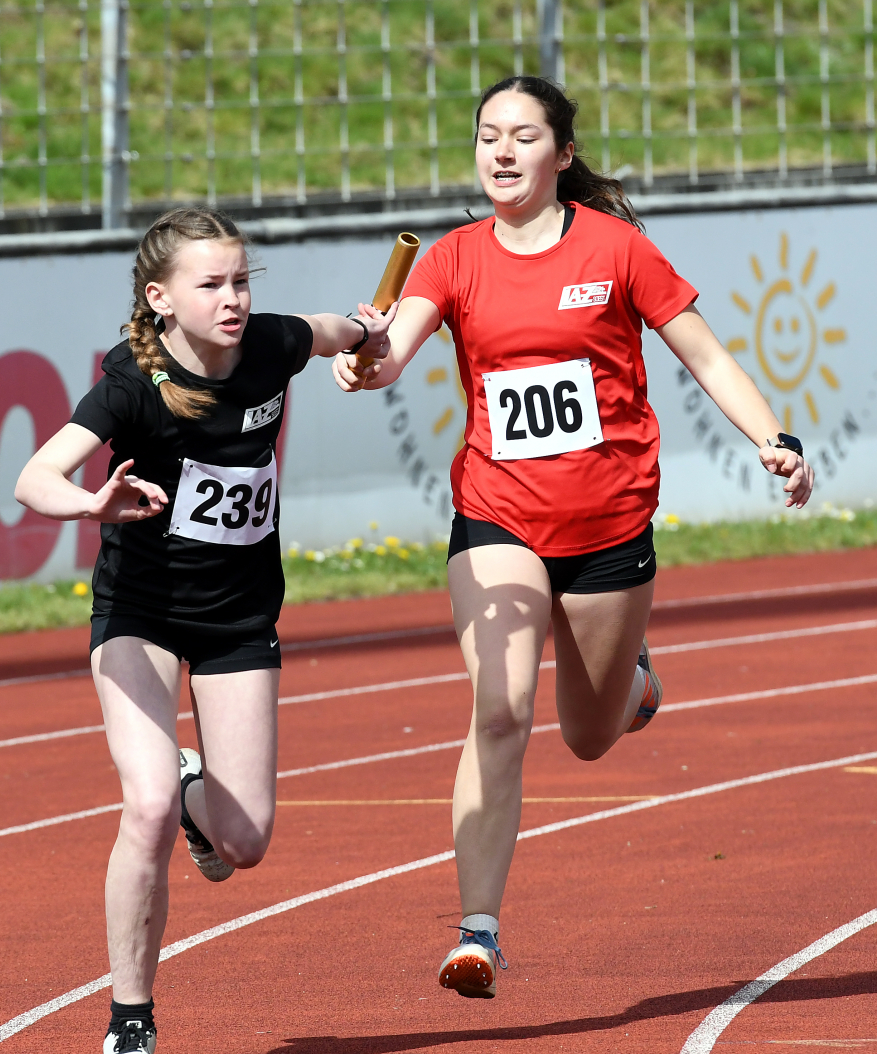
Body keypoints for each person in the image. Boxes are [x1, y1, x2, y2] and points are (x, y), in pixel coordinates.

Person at [333, 76, 814, 1000]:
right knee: (501, 708)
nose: (502, 152)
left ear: (560, 154)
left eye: (522, 137)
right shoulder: (454, 258)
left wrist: (775, 442)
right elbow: (394, 351)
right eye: (487, 137)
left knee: (589, 738)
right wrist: (368, 360)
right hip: (497, 515)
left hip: (609, 527)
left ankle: (631, 679)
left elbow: (706, 354)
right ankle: (478, 929)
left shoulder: (617, 248)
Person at [15, 206, 393, 1053]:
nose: (233, 299)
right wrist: (90, 504)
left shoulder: (271, 344)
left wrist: (369, 331)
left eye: (241, 281)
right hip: (140, 612)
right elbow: (33, 476)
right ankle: (131, 1021)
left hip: (237, 615)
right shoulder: (128, 382)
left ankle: (197, 788)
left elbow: (336, 330)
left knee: (247, 842)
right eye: (211, 285)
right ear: (160, 297)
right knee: (141, 808)